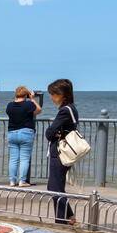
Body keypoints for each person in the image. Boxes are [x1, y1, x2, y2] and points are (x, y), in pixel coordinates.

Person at [44, 79, 78, 225]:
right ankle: (69, 216)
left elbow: (49, 133)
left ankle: (61, 222)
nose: (52, 97)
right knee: (54, 186)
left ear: (62, 95)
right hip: (62, 152)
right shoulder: (71, 108)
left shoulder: (65, 111)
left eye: (53, 94)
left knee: (55, 188)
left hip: (59, 153)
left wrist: (53, 132)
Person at [5, 86, 40, 186]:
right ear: (26, 95)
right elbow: (38, 110)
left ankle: (12, 181)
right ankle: (22, 181)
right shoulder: (28, 104)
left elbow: (13, 109)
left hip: (12, 133)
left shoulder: (10, 105)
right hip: (26, 133)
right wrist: (32, 99)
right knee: (24, 158)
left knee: (13, 159)